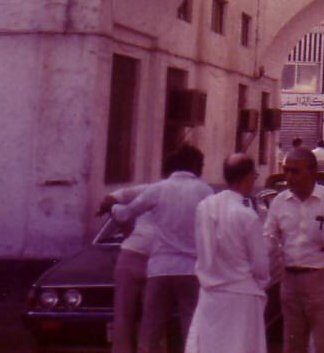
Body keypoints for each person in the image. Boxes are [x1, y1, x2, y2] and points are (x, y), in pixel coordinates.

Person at [112, 145, 213, 353]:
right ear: (193, 165)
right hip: (190, 269)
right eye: (201, 165)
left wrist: (113, 209)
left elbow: (125, 214)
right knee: (191, 330)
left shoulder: (158, 189)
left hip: (160, 269)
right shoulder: (205, 191)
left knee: (151, 329)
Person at [264, 147, 324, 353]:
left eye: (295, 171)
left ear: (312, 172)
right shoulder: (280, 201)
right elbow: (268, 236)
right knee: (293, 345)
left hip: (323, 281)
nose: (288, 177)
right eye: (286, 171)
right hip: (290, 282)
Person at [185, 153, 270, 353]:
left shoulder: (204, 208)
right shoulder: (246, 215)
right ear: (249, 177)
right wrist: (259, 282)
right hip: (241, 296)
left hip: (211, 293)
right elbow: (261, 265)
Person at [98, 166, 170, 353]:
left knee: (140, 317)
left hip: (144, 259)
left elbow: (110, 201)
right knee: (137, 319)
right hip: (143, 259)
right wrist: (124, 225)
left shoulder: (156, 191)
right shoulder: (151, 190)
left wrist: (124, 223)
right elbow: (109, 199)